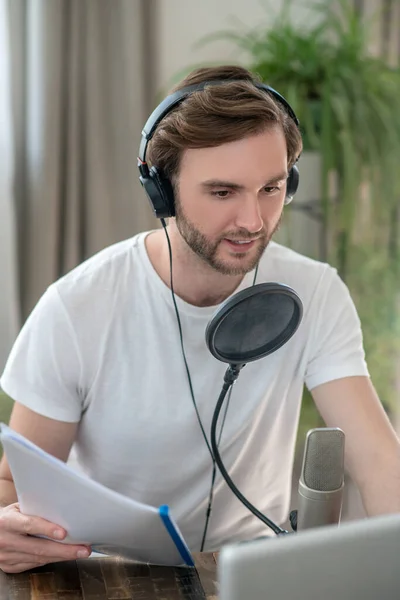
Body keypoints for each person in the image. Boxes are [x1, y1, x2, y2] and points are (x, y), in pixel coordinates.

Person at [0, 65, 399, 575]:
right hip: (108, 572)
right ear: (162, 191)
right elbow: (17, 485)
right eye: (222, 192)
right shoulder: (77, 306)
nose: (253, 221)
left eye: (272, 188)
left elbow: (379, 463)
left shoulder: (315, 291)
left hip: (252, 569)